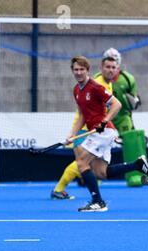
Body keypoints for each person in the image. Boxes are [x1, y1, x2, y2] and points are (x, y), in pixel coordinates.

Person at [68, 55, 148, 212]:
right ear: (72, 71)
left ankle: (98, 202)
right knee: (102, 173)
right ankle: (138, 165)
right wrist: (72, 135)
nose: (79, 72)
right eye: (76, 69)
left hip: (104, 131)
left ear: (87, 71)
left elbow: (117, 104)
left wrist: (104, 121)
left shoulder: (95, 87)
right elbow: (82, 115)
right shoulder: (76, 90)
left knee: (81, 162)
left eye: (82, 69)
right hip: (95, 133)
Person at [51, 56, 119, 200]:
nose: (111, 71)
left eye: (113, 68)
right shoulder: (95, 85)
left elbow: (111, 107)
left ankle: (92, 196)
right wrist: (72, 133)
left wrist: (106, 124)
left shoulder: (105, 84)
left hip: (95, 129)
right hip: (85, 129)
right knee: (82, 162)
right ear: (101, 69)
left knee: (84, 163)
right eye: (108, 67)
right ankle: (61, 189)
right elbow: (83, 113)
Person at [101, 48, 147, 187]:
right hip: (105, 118)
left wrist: (135, 101)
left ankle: (136, 176)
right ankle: (95, 175)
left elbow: (136, 100)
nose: (110, 70)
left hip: (122, 117)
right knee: (97, 144)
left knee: (131, 141)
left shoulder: (128, 78)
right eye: (107, 66)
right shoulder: (97, 79)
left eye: (113, 65)